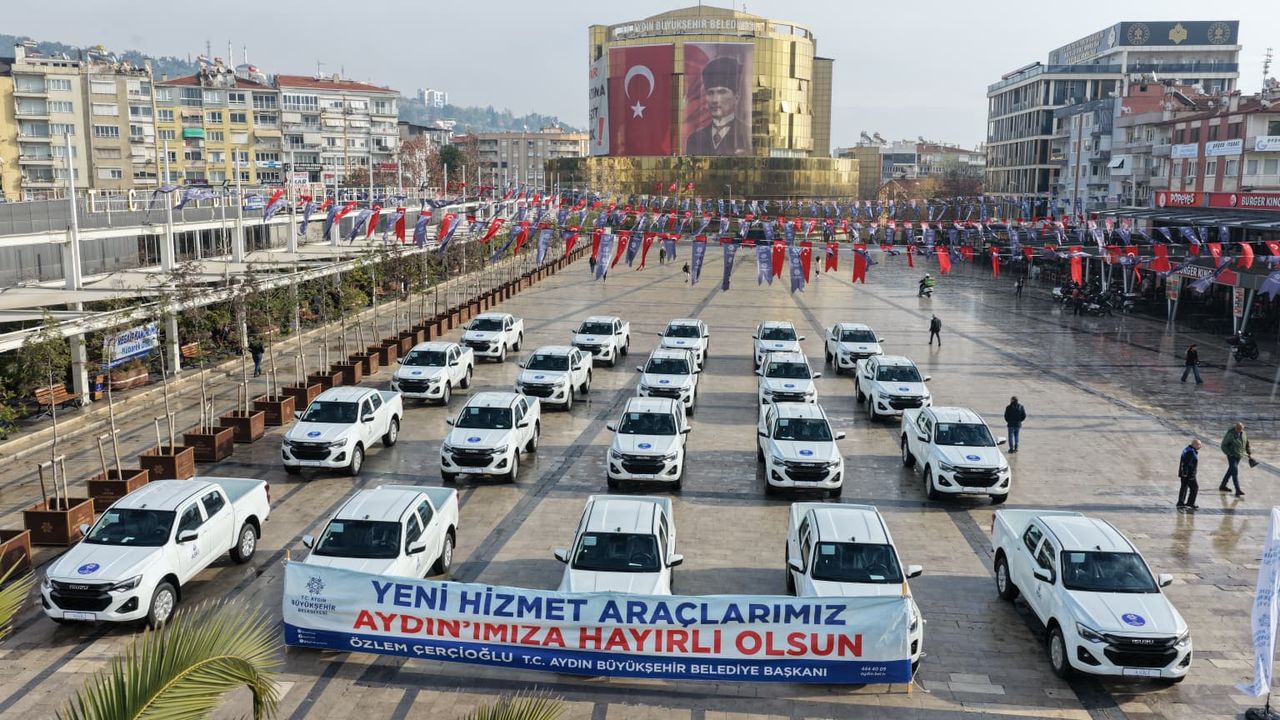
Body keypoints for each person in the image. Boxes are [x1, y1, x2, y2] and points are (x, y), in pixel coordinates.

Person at [684, 55, 750, 156]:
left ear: (736, 96)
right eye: (710, 93)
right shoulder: (695, 139)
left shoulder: (747, 135)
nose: (715, 100)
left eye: (722, 92)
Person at [1219, 422, 1252, 497]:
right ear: (1235, 428)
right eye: (1238, 429)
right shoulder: (1230, 434)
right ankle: (1238, 490)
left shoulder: (1244, 433)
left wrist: (1248, 452)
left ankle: (1223, 485)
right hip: (1232, 456)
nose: (1239, 430)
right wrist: (1230, 453)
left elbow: (1246, 443)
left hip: (1239, 455)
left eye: (1241, 429)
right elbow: (1223, 446)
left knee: (1231, 470)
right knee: (1235, 472)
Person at [1177, 439, 1201, 510]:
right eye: (1199, 445)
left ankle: (1180, 502)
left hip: (1184, 474)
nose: (1200, 446)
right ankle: (1190, 503)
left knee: (1184, 487)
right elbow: (1186, 464)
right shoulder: (1191, 452)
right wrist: (1187, 474)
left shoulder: (1187, 449)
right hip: (1189, 475)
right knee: (1195, 488)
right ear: (1194, 444)